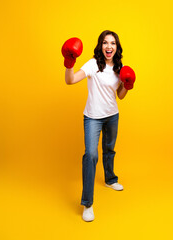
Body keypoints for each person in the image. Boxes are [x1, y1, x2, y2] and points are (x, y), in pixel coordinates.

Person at [61, 30, 136, 222]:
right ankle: (87, 203)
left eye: (112, 43)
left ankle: (110, 179)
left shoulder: (120, 67)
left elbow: (119, 95)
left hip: (112, 115)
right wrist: (69, 63)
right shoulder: (93, 63)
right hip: (93, 117)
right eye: (105, 43)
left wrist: (127, 85)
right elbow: (70, 80)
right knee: (91, 155)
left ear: (117, 47)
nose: (108, 46)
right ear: (100, 46)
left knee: (109, 150)